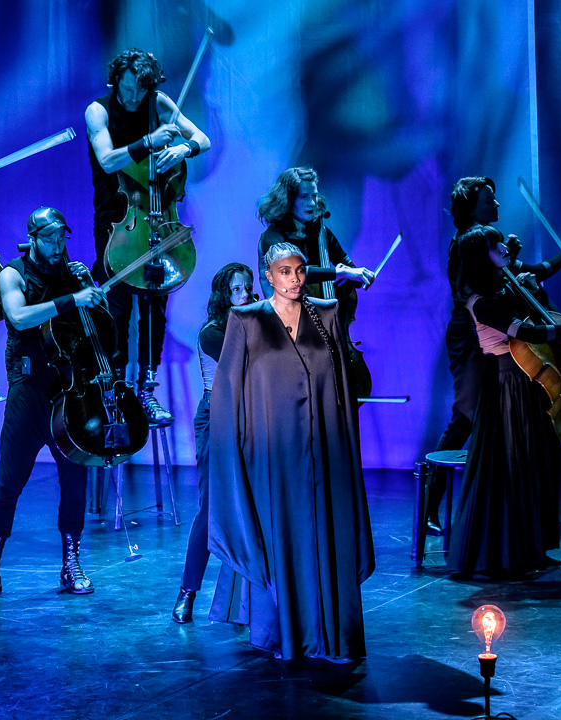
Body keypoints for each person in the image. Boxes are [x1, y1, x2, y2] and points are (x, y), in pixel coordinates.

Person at [207, 243, 375, 662]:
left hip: (324, 450)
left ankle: (330, 633)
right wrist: (234, 450)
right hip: (271, 454)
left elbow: (340, 385)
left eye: (300, 270)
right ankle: (285, 632)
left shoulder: (326, 314)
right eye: (285, 272)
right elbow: (228, 393)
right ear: (268, 276)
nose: (295, 279)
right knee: (280, 533)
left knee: (325, 531)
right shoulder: (247, 320)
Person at [0, 208, 108, 602]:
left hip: (69, 393)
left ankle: (71, 563)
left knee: (75, 481)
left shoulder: (73, 274)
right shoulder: (12, 274)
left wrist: (92, 295)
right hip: (28, 393)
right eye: (50, 239)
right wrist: (72, 299)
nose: (58, 246)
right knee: (9, 483)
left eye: (62, 238)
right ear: (33, 239)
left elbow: (101, 332)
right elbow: (19, 316)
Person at [425, 177, 561, 534]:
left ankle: (504, 513)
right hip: (472, 337)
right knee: (467, 417)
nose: (496, 204)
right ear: (471, 207)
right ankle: (432, 504)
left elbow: (525, 274)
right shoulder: (469, 245)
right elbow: (476, 293)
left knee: (500, 418)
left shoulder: (489, 242)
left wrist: (560, 258)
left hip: (495, 336)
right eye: (489, 200)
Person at [448, 226, 561, 578]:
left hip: (529, 382)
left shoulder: (506, 287)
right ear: (481, 257)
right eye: (496, 245)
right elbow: (529, 332)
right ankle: (511, 554)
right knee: (515, 467)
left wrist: (534, 287)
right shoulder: (481, 302)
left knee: (537, 465)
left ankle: (533, 549)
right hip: (506, 388)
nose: (504, 247)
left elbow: (539, 306)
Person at [86, 48, 211, 426]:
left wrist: (183, 148)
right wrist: (150, 141)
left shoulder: (158, 102)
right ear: (116, 81)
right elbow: (107, 159)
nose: (133, 97)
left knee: (155, 308)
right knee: (117, 310)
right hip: (118, 221)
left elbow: (203, 139)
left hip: (159, 221)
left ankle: (146, 392)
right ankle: (116, 395)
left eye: (140, 90)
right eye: (127, 88)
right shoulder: (99, 110)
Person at [172, 262, 255, 624]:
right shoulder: (212, 332)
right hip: (217, 418)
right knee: (210, 510)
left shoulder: (254, 322)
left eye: (248, 287)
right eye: (237, 289)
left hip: (250, 417)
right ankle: (187, 591)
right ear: (224, 295)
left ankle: (248, 603)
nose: (245, 294)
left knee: (254, 506)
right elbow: (249, 363)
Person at [256, 166, 375, 309]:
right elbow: (294, 273)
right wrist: (340, 273)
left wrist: (360, 276)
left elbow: (350, 271)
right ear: (288, 200)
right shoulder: (273, 237)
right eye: (304, 196)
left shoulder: (321, 233)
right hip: (283, 316)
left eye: (314, 196)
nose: (312, 203)